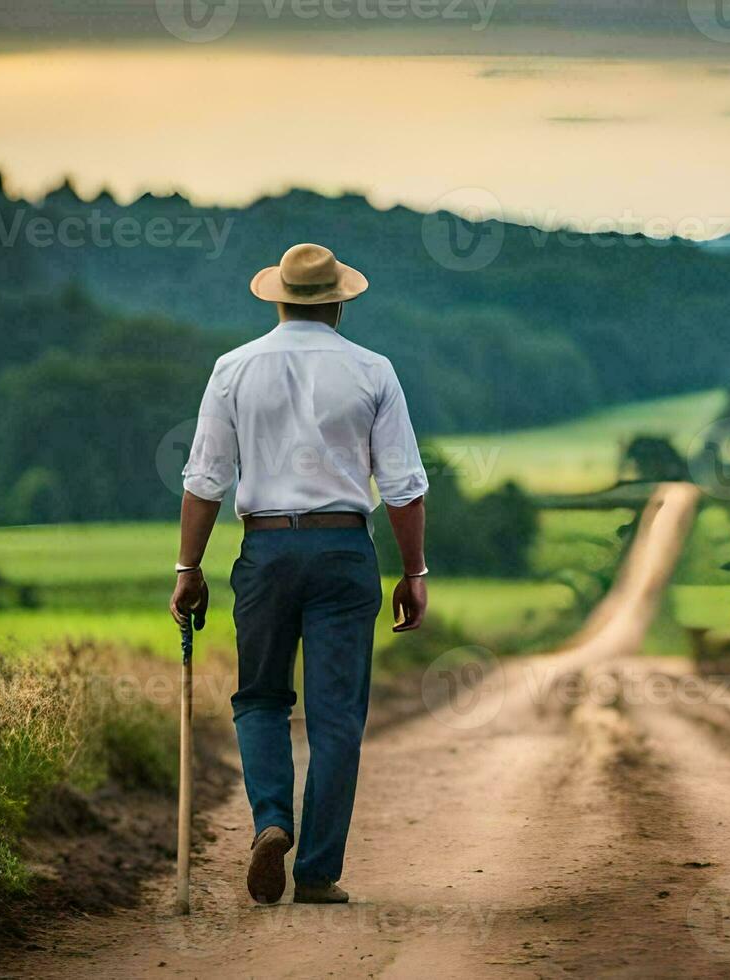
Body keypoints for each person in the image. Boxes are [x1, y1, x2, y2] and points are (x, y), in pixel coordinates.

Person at [169, 243, 429, 906]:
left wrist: (188, 567)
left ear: (278, 298)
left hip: (265, 554)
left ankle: (272, 820)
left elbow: (205, 480)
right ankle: (315, 871)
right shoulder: (374, 370)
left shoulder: (232, 369)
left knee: (259, 698)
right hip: (344, 552)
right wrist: (414, 570)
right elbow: (402, 487)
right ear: (339, 301)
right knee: (337, 716)